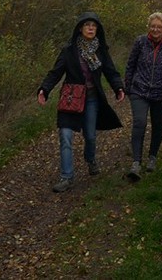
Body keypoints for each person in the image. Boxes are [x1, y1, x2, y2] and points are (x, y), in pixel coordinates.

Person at [38, 11, 125, 193]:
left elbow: (110, 71)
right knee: (65, 136)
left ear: (97, 29)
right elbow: (55, 72)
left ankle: (90, 159)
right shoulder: (69, 50)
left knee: (90, 136)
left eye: (94, 25)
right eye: (87, 25)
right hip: (71, 99)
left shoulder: (100, 50)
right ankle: (66, 177)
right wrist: (44, 90)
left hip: (92, 99)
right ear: (80, 28)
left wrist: (118, 88)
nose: (91, 28)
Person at [124, 12, 162, 181]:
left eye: (159, 27)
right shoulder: (140, 42)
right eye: (153, 26)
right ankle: (136, 162)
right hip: (139, 90)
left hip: (161, 93)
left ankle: (152, 157)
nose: (155, 29)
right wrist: (128, 88)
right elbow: (130, 65)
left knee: (158, 125)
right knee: (139, 122)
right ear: (149, 27)